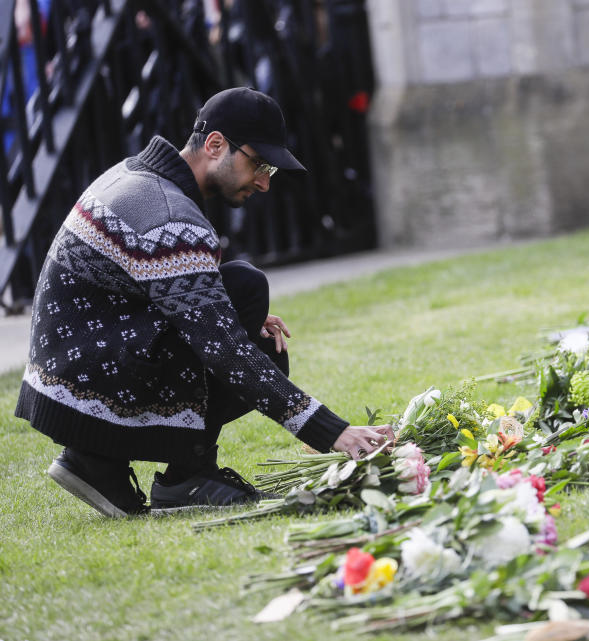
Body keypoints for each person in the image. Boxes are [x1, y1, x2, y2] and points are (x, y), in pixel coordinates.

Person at [14, 87, 394, 517]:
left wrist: (221, 309)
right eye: (260, 164)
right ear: (215, 145)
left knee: (247, 309)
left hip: (67, 380)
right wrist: (334, 433)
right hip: (79, 393)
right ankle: (180, 476)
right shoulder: (169, 213)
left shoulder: (136, 175)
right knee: (248, 310)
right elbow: (226, 351)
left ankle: (100, 461)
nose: (265, 182)